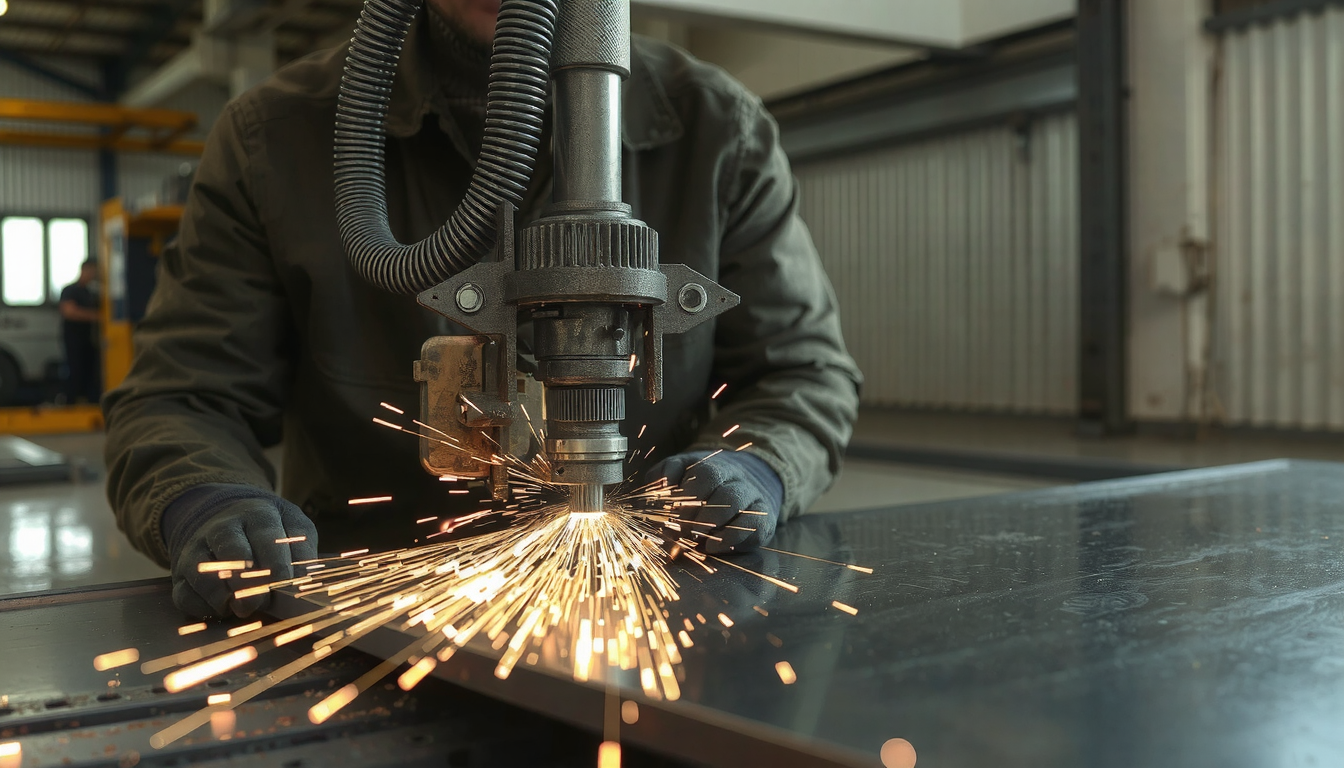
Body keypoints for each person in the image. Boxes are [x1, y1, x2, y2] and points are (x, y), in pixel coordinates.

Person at [103, 0, 861, 619]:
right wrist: (202, 497)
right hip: (372, 607)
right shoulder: (276, 139)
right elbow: (184, 395)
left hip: (655, 596)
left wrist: (759, 465)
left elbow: (803, 372)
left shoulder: (716, 130)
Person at [59, 260, 101, 404]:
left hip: (88, 339)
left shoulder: (89, 293)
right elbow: (69, 311)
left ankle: (88, 400)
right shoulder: (70, 290)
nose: (93, 275)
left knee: (89, 371)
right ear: (84, 270)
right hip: (73, 338)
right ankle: (70, 402)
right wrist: (97, 316)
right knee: (74, 370)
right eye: (92, 271)